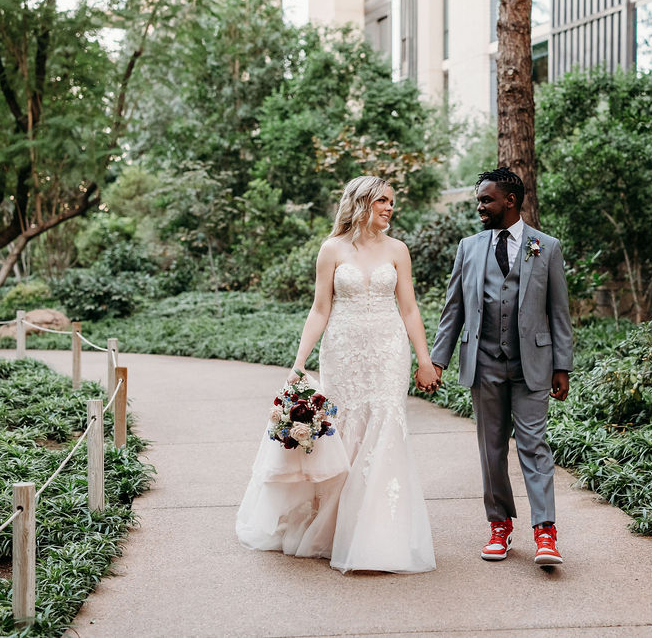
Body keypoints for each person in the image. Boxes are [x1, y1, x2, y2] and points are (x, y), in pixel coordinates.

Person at [236, 175, 438, 574]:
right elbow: (320, 309)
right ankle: (332, 531)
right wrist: (299, 363)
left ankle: (378, 534)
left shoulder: (398, 250)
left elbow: (410, 309)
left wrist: (424, 359)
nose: (389, 208)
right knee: (342, 433)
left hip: (387, 353)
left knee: (384, 429)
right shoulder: (331, 249)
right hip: (342, 352)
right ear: (360, 202)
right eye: (382, 200)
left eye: (392, 202)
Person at [429, 167, 574, 566]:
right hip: (484, 362)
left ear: (510, 201)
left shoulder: (547, 247)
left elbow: (559, 313)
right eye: (479, 199)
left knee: (534, 445)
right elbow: (452, 309)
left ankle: (545, 533)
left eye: (486, 199)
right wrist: (436, 361)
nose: (480, 206)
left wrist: (562, 366)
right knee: (491, 449)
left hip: (534, 366)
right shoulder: (468, 247)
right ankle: (500, 526)